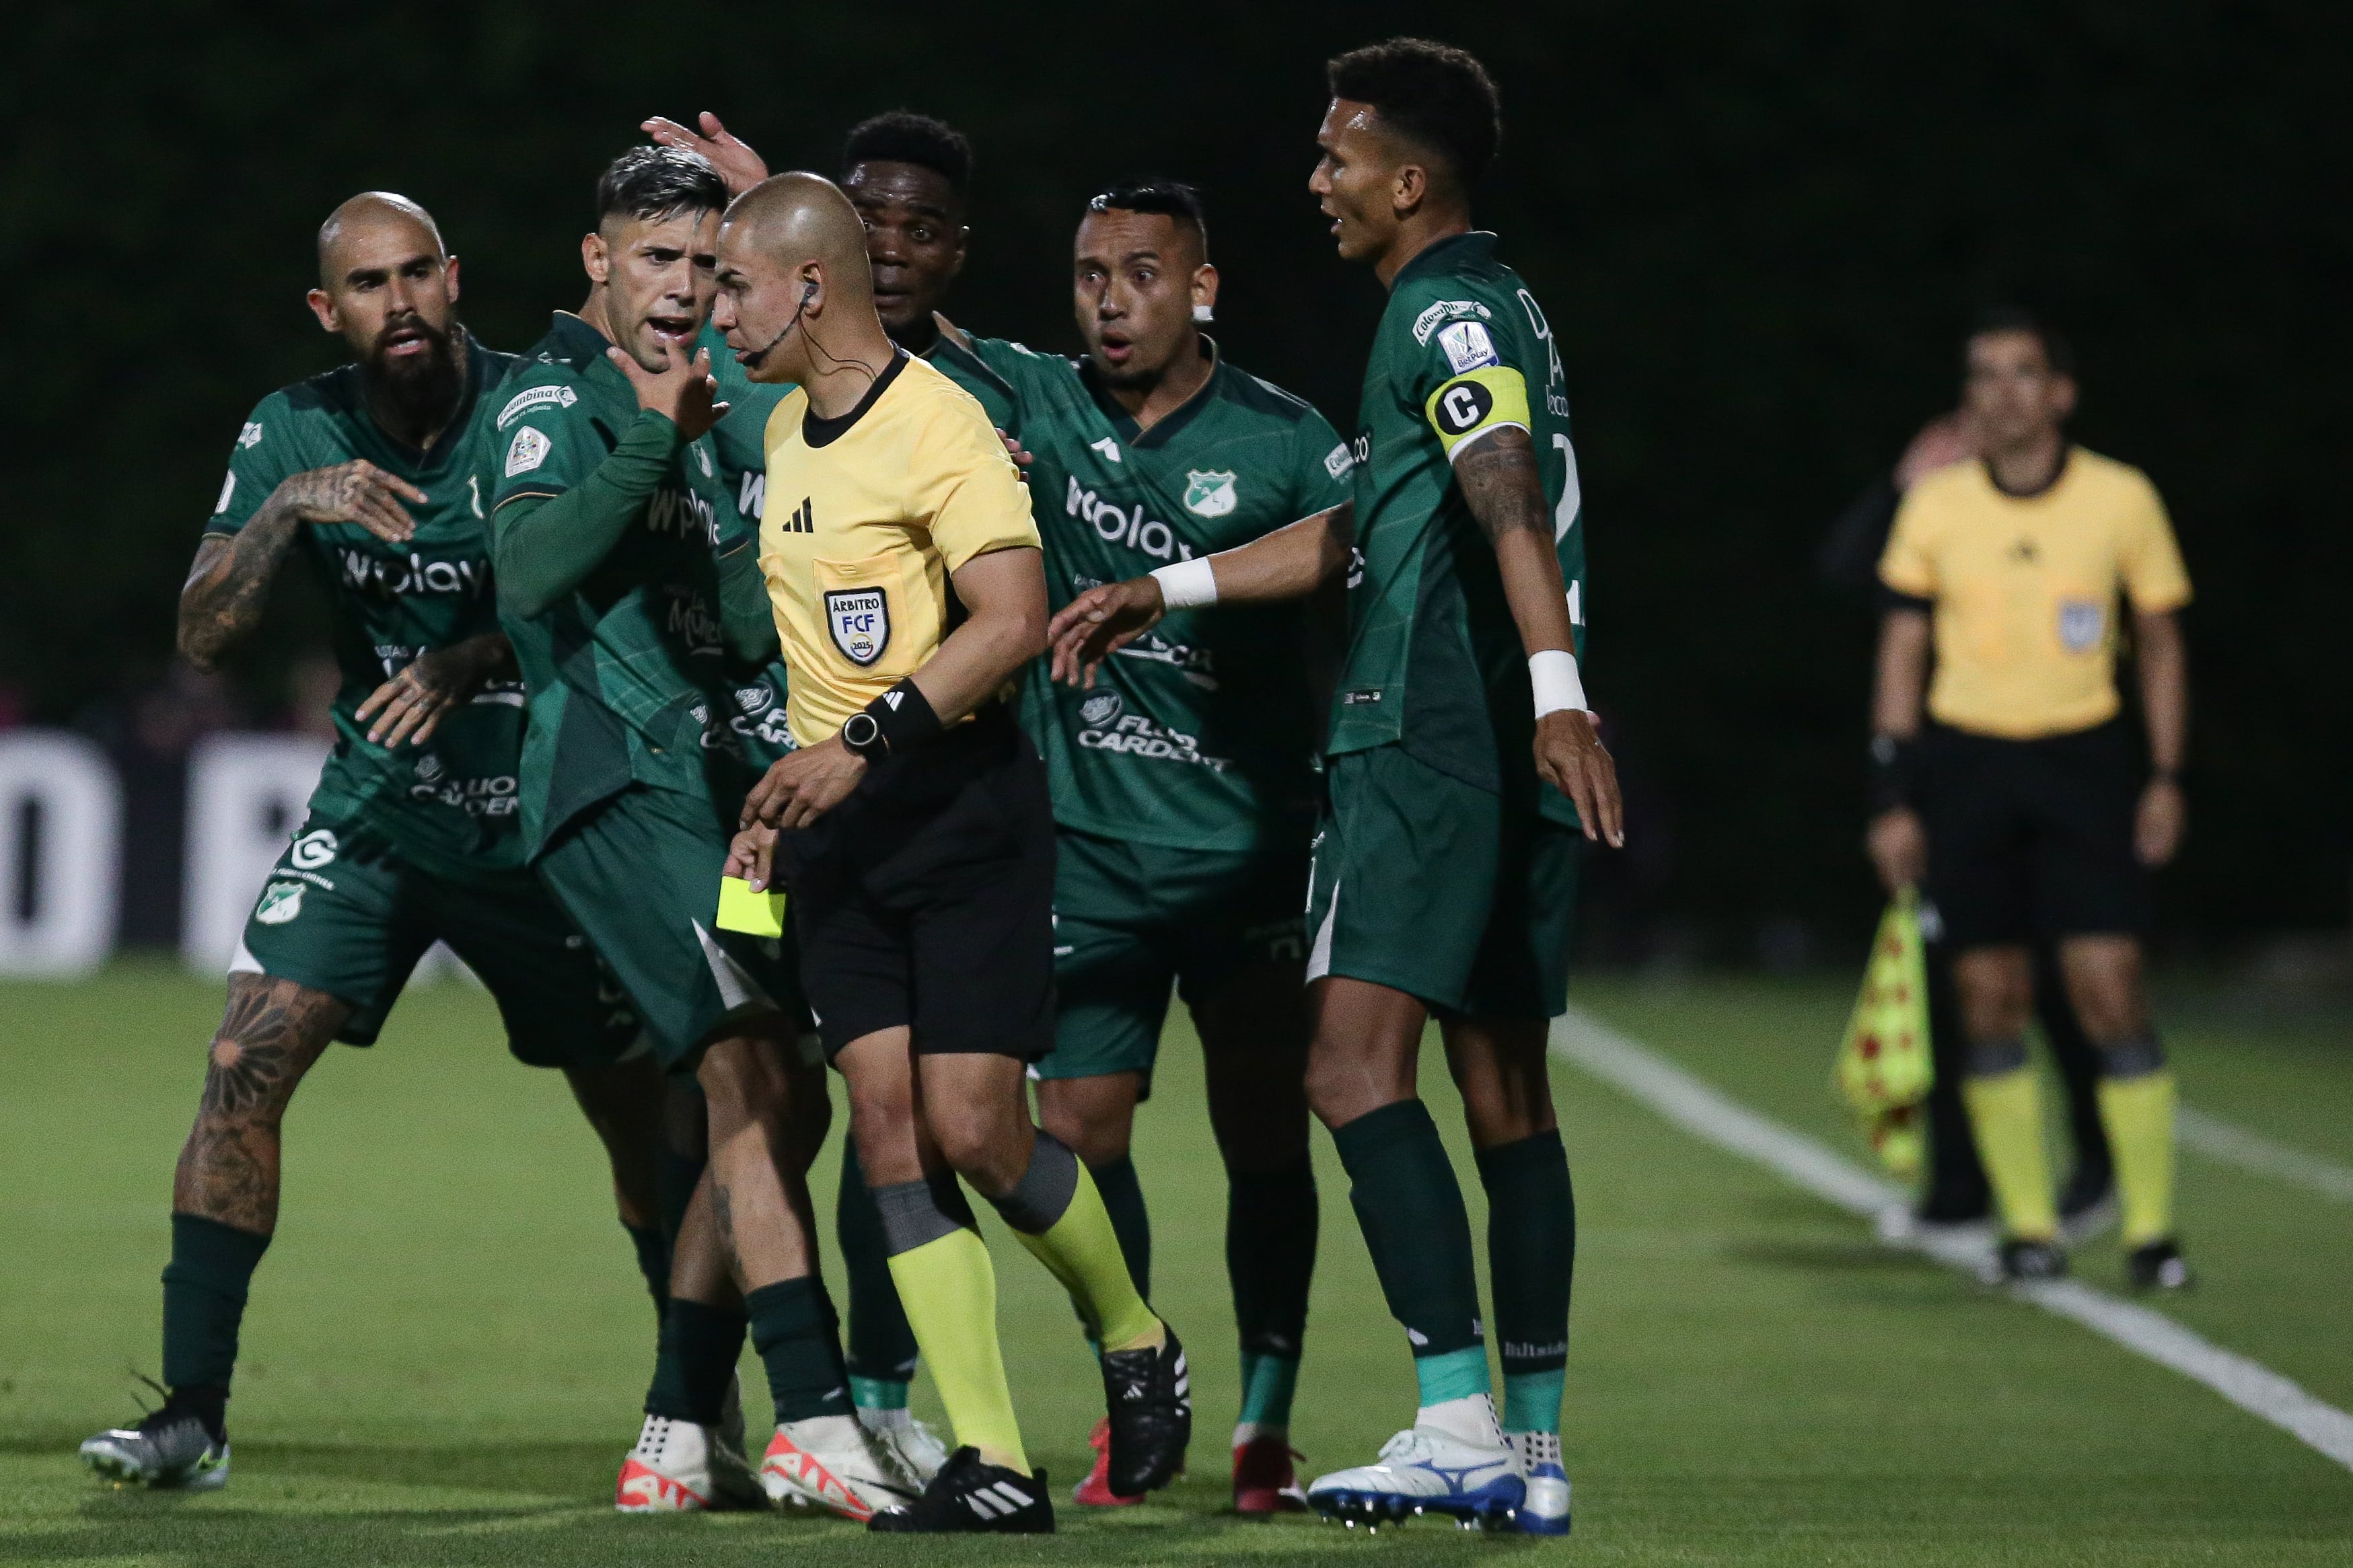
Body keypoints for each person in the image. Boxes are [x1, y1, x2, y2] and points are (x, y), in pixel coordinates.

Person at [1050, 38, 1622, 1536]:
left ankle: (1451, 1422)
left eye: (1337, 157)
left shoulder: (1432, 308)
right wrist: (1160, 587)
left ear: (1407, 177)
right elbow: (1365, 525)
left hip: (1425, 730)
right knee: (1504, 1093)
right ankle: (1536, 1448)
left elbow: (1494, 476)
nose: (1317, 181)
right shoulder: (1498, 304)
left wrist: (1554, 685)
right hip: (1502, 739)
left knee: (1345, 1070)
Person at [79, 194, 663, 1492]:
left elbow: (636, 598)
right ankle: (192, 1412)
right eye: (365, 285)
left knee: (644, 1124)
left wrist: (477, 656)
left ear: (455, 280)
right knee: (243, 1053)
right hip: (385, 811)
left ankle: (695, 1405)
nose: (397, 304)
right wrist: (288, 508)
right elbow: (203, 638)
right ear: (326, 309)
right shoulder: (295, 430)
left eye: (416, 276)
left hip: (548, 825)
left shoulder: (550, 405)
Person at [713, 171, 1190, 1534]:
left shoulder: (941, 423)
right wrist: (785, 792)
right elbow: (825, 658)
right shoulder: (793, 432)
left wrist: (854, 743)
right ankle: (990, 1460)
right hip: (838, 835)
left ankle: (1134, 1331)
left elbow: (1007, 617)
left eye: (737, 285)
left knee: (978, 1130)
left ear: (808, 287)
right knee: (883, 1130)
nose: (716, 311)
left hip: (959, 817)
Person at [484, 146, 915, 1519]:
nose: (680, 289)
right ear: (597, 262)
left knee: (757, 1088)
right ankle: (815, 1414)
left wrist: (724, 479)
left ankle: (677, 1432)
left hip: (713, 790)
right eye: (654, 259)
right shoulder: (549, 398)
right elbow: (530, 573)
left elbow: (740, 625)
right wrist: (658, 437)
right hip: (608, 786)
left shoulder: (721, 409)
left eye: (700, 264)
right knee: (751, 1075)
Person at [936, 178, 1340, 1514]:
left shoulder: (1283, 436)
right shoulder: (1038, 404)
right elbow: (898, 324)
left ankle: (1266, 1421)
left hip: (1245, 845)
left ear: (1200, 286)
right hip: (1085, 846)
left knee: (1261, 1134)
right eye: (1089, 275)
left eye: (1141, 275)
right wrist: (780, 205)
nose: (1111, 301)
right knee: (1077, 1130)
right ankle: (1135, 1381)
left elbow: (1349, 545)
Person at [1867, 307, 2193, 1289]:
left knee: (2109, 987)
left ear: (2060, 392)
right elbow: (1902, 648)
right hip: (1966, 767)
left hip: (2084, 764)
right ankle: (2029, 1223)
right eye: (1982, 375)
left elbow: (2164, 643)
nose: (1999, 393)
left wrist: (2167, 775)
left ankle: (2151, 1229)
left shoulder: (2121, 498)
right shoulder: (1936, 503)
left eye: (2020, 374)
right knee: (1988, 996)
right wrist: (1891, 790)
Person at [1823, 414, 2117, 1240]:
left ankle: (2098, 1164)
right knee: (1962, 981)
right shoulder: (1940, 512)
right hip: (1954, 785)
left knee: (2065, 984)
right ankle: (1961, 1186)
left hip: (2053, 781)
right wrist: (1898, 484)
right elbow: (1846, 574)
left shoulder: (2082, 507)